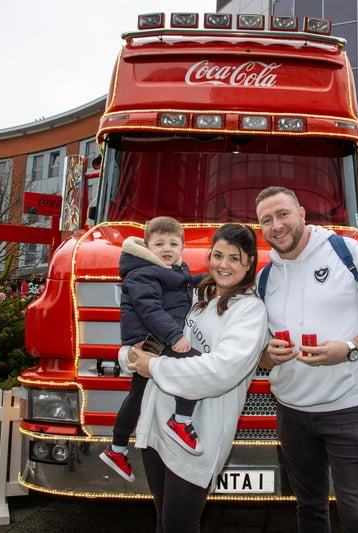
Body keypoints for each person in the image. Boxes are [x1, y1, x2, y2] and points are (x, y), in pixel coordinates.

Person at [255, 186, 358, 533]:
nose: (276, 225)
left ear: (302, 214)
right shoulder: (266, 277)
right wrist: (268, 356)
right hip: (292, 414)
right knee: (309, 510)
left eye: (283, 214)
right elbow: (260, 354)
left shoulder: (346, 252)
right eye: (266, 220)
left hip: (348, 411)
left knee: (356, 516)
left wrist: (350, 348)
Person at [128, 223, 267, 533]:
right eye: (218, 255)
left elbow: (220, 371)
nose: (223, 264)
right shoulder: (198, 294)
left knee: (181, 525)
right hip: (157, 423)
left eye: (234, 257)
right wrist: (133, 356)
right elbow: (163, 334)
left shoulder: (250, 311)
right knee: (164, 522)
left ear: (249, 262)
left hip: (198, 438)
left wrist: (155, 368)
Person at [100, 217, 206, 482]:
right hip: (152, 339)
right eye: (159, 243)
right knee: (194, 364)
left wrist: (205, 278)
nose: (167, 248)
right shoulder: (143, 272)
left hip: (152, 338)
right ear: (147, 246)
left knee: (136, 394)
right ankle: (180, 421)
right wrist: (174, 336)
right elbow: (149, 309)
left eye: (173, 243)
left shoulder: (170, 269)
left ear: (182, 246)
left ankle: (116, 449)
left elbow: (179, 284)